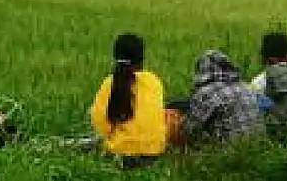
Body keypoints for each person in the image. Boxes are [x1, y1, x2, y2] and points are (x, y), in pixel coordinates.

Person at [89, 33, 167, 170]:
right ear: (142, 58)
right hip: (154, 154)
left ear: (115, 57)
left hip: (121, 154)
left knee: (82, 145)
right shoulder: (154, 81)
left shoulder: (110, 83)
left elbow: (100, 125)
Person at [178, 50, 265, 145]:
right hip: (259, 144)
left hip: (227, 150)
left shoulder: (207, 92)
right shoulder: (245, 87)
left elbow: (188, 130)